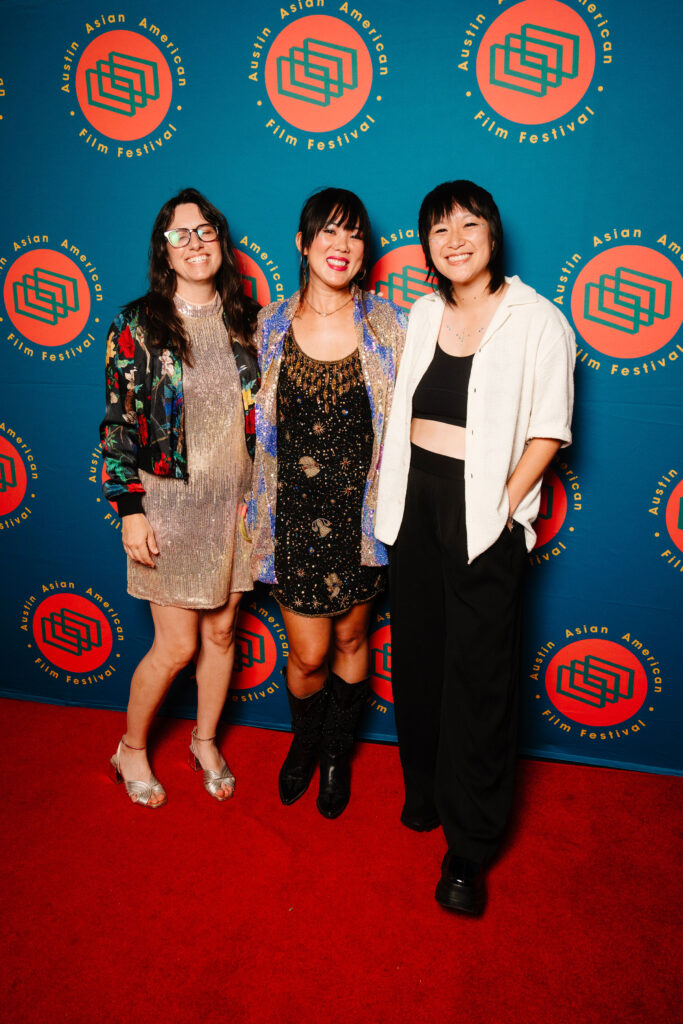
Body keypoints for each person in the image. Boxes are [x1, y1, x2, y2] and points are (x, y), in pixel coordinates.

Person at [376, 180, 575, 912]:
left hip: (482, 512)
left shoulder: (537, 321)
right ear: (426, 244)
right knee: (420, 660)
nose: (452, 238)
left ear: (491, 234)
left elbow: (548, 429)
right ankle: (424, 792)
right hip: (414, 505)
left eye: (467, 223)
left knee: (479, 679)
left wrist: (497, 508)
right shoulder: (423, 312)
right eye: (437, 228)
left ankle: (469, 846)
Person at [250, 188, 407, 818]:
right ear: (303, 242)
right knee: (308, 652)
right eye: (329, 232)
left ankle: (338, 753)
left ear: (365, 250)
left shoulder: (388, 326)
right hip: (289, 518)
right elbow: (242, 428)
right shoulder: (269, 325)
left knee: (350, 640)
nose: (342, 246)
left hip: (361, 519)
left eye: (355, 235)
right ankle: (305, 742)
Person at [100, 187, 259, 808]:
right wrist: (130, 508)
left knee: (222, 635)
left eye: (206, 231)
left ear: (221, 241)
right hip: (169, 504)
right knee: (177, 645)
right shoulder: (136, 324)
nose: (196, 243)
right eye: (180, 234)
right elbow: (118, 423)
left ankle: (204, 738)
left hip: (239, 507)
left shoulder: (248, 319)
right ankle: (131, 748)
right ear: (163, 251)